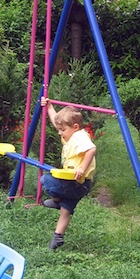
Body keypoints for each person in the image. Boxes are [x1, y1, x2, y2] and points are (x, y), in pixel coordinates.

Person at [40, 99, 96, 250]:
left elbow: (91, 150)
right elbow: (56, 121)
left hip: (77, 183)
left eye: (62, 130)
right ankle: (57, 238)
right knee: (65, 211)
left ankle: (57, 200)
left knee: (45, 179)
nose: (59, 132)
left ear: (75, 127)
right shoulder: (70, 135)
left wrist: (82, 168)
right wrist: (50, 107)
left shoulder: (79, 136)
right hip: (80, 185)